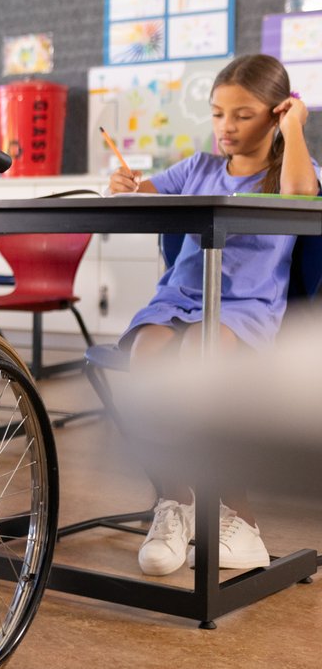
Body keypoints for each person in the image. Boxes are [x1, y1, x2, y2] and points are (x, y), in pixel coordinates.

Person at [108, 54, 319, 576]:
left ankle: (239, 520)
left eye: (244, 115)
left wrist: (293, 128)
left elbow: (302, 198)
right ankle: (175, 505)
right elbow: (145, 199)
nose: (227, 126)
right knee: (146, 357)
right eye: (218, 113)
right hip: (179, 298)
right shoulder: (197, 168)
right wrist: (129, 187)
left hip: (245, 309)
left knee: (205, 361)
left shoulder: (293, 169)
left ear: (276, 113)